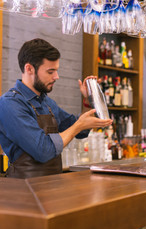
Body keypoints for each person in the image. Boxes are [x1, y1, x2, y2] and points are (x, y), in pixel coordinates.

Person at [0, 38, 112, 179]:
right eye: (50, 71)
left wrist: (88, 102)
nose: (57, 77)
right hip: (23, 191)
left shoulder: (47, 103)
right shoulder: (10, 104)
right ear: (29, 69)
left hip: (51, 186)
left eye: (56, 71)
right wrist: (78, 126)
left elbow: (79, 131)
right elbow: (43, 150)